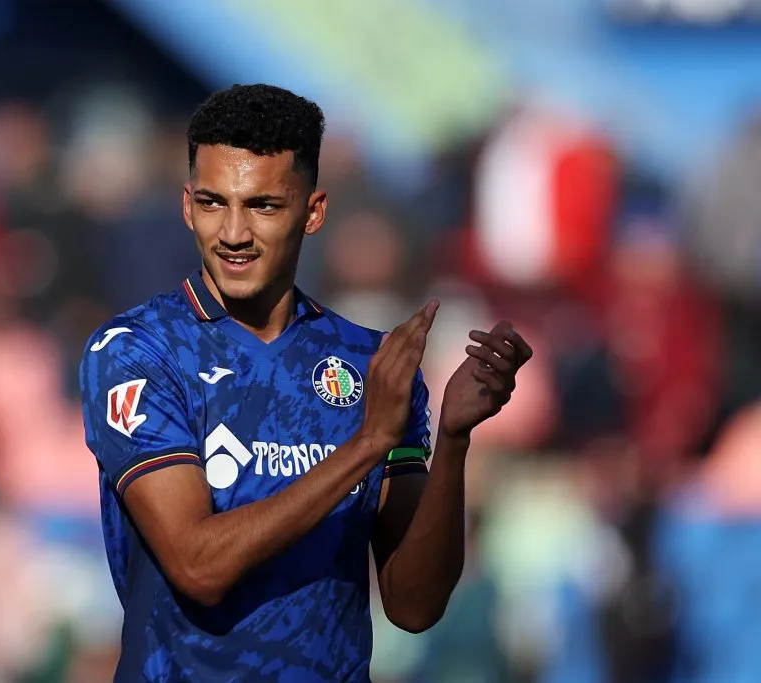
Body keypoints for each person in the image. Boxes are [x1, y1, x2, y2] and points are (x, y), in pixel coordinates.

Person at [79, 84, 532, 682]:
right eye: (214, 203)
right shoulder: (140, 352)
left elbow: (413, 605)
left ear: (313, 211)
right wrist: (367, 444)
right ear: (188, 206)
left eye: (263, 206)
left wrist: (451, 440)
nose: (233, 233)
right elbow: (198, 566)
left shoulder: (369, 362)